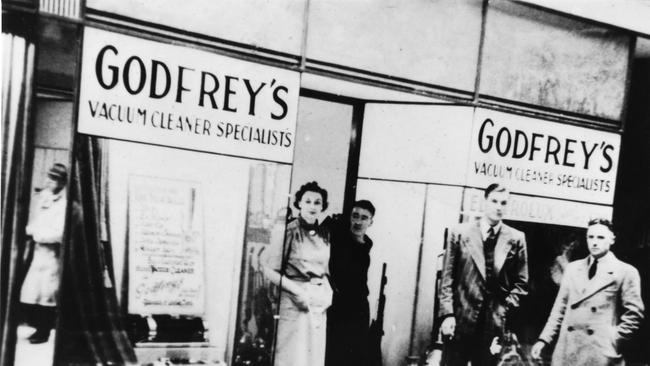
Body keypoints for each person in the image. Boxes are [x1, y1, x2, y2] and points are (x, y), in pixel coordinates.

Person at [531, 218, 644, 366]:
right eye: (590, 237)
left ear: (612, 240)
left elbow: (635, 314)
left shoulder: (625, 271)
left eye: (600, 237)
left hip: (599, 352)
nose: (594, 242)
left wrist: (613, 338)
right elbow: (559, 309)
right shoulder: (572, 269)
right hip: (567, 349)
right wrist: (543, 340)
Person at [438, 183, 529, 366]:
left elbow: (522, 283)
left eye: (503, 203)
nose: (498, 207)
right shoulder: (460, 233)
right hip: (460, 320)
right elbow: (447, 279)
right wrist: (447, 315)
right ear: (485, 202)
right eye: (494, 201)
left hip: (492, 325)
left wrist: (504, 309)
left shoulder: (516, 238)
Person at [262, 181, 332, 366]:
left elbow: (324, 270)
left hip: (317, 302)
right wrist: (298, 291)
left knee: (313, 357)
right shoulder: (289, 231)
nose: (312, 206)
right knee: (292, 356)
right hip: (294, 302)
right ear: (299, 203)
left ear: (322, 207)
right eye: (307, 201)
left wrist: (328, 292)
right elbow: (269, 270)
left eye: (317, 202)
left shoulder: (325, 234)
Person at [20, 163, 68, 344]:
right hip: (37, 254)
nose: (49, 182)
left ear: (62, 183)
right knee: (33, 293)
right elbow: (37, 222)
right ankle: (37, 329)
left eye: (54, 179)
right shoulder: (44, 199)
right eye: (49, 177)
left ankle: (44, 332)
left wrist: (37, 235)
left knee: (47, 295)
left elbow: (59, 233)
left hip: (52, 256)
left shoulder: (63, 205)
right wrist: (26, 230)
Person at [326, 200, 376, 366]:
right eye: (355, 216)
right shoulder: (338, 241)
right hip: (338, 306)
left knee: (357, 355)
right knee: (335, 353)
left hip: (359, 308)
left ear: (371, 222)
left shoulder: (367, 245)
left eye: (364, 218)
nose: (358, 221)